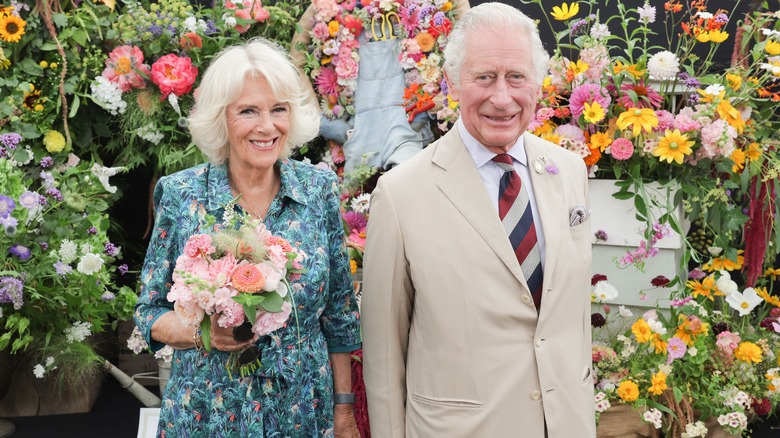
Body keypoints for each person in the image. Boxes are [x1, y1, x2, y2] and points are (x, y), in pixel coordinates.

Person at [361, 3, 596, 437]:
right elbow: (383, 354)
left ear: (539, 85)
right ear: (452, 82)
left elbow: (567, 317)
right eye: (484, 77)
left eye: (516, 77)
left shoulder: (569, 171)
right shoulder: (400, 195)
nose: (502, 97)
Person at [134, 38, 362, 437]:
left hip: (302, 412)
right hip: (208, 414)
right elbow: (150, 311)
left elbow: (339, 313)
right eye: (248, 111)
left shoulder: (317, 189)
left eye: (278, 110)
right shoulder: (182, 195)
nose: (267, 126)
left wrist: (344, 414)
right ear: (221, 118)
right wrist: (201, 332)